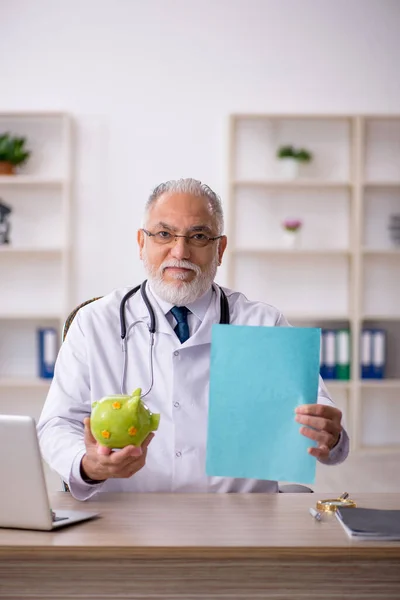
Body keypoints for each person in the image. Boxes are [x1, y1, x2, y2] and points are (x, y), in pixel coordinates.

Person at [38, 178, 349, 500]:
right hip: (123, 517)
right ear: (141, 243)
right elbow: (57, 424)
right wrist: (89, 465)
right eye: (163, 234)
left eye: (198, 236)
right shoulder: (96, 322)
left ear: (220, 248)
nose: (180, 251)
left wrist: (331, 436)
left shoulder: (263, 323)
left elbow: (322, 424)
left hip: (239, 523)